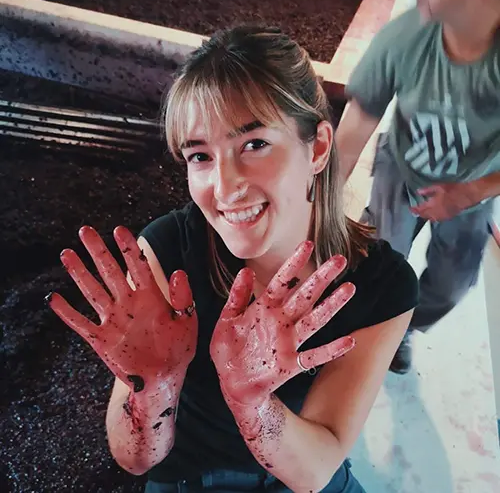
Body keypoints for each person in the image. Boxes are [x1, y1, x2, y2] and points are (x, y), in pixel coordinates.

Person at [47, 26, 418, 493]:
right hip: (185, 479)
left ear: (318, 148)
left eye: (254, 144)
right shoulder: (168, 252)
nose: (224, 187)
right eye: (200, 156)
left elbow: (316, 469)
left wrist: (253, 404)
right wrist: (153, 387)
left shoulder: (381, 284)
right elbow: (134, 459)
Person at [335, 0, 500, 375]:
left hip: (472, 189)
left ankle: (403, 325)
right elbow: (351, 134)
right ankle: (374, 318)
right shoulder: (406, 37)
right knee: (379, 260)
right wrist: (315, 209)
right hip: (402, 168)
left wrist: (469, 193)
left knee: (451, 286)